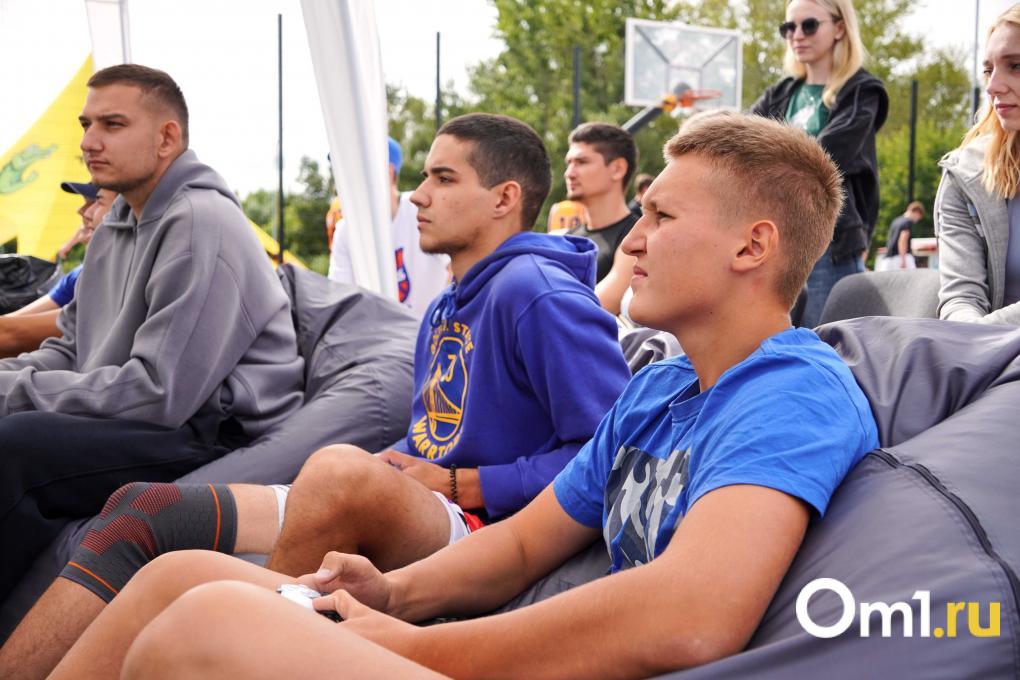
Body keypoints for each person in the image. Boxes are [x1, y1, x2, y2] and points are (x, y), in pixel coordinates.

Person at [44, 112, 879, 680]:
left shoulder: (791, 391)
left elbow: (691, 617)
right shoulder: (661, 390)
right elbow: (520, 546)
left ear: (751, 248)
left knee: (213, 622)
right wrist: (389, 595)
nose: (634, 240)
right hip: (496, 628)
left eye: (661, 217)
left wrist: (417, 645)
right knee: (179, 575)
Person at [2, 113, 630, 678]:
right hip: (429, 501)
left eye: (443, 178)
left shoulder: (540, 293)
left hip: (489, 529)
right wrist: (400, 462)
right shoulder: (448, 304)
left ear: (504, 198)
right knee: (142, 510)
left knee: (336, 471)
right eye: (424, 176)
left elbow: (613, 457)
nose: (418, 194)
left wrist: (467, 483)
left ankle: (245, 648)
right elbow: (436, 434)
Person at [0, 64, 304, 603]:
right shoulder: (115, 225)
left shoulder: (201, 222)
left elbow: (159, 396)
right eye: (86, 124)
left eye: (112, 124)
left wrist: (13, 394)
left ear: (167, 138)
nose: (89, 142)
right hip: (145, 411)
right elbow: (69, 349)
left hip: (210, 428)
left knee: (16, 446)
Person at [751, 0, 888, 327]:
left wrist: (767, 155)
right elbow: (741, 145)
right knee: (773, 342)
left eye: (809, 25)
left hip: (830, 242)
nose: (797, 35)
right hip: (774, 239)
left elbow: (825, 157)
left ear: (839, 27)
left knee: (827, 342)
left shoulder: (862, 91)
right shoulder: (781, 93)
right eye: (789, 27)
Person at [935, 5, 1020, 325]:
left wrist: (978, 337)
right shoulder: (966, 176)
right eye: (988, 69)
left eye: (1016, 66)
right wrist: (973, 339)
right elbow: (960, 299)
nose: (993, 85)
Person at [328, 137, 450, 318]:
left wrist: (441, 319)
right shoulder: (346, 231)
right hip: (377, 333)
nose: (344, 180)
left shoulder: (421, 209)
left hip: (431, 329)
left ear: (387, 172)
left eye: (352, 170)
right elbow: (339, 299)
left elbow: (457, 268)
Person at [0, 185, 116, 358]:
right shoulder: (81, 275)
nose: (83, 212)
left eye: (97, 201)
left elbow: (13, 335)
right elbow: (12, 325)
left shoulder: (118, 277)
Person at [564, 122, 639, 283]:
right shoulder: (569, 238)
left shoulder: (636, 237)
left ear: (617, 169)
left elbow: (604, 298)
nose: (569, 173)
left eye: (582, 162)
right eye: (569, 163)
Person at [876, 201, 924, 271]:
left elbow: (892, 239)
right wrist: (903, 259)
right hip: (901, 256)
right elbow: (902, 240)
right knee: (913, 276)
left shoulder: (896, 221)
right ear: (916, 212)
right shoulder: (908, 222)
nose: (917, 220)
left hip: (888, 258)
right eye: (918, 217)